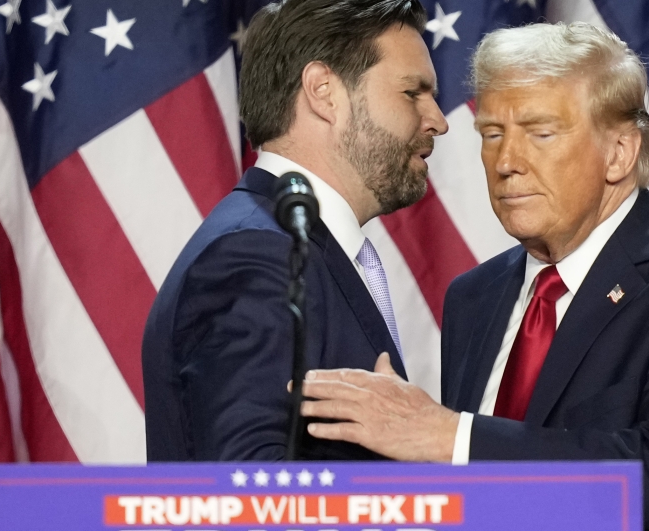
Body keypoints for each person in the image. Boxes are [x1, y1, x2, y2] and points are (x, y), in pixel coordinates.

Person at [297, 22, 649, 530]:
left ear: (619, 153)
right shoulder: (474, 298)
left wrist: (447, 437)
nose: (506, 162)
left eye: (540, 133)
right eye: (492, 134)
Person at [141, 0, 448, 461]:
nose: (438, 121)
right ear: (323, 91)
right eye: (412, 93)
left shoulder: (288, 244)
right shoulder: (257, 256)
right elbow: (251, 497)